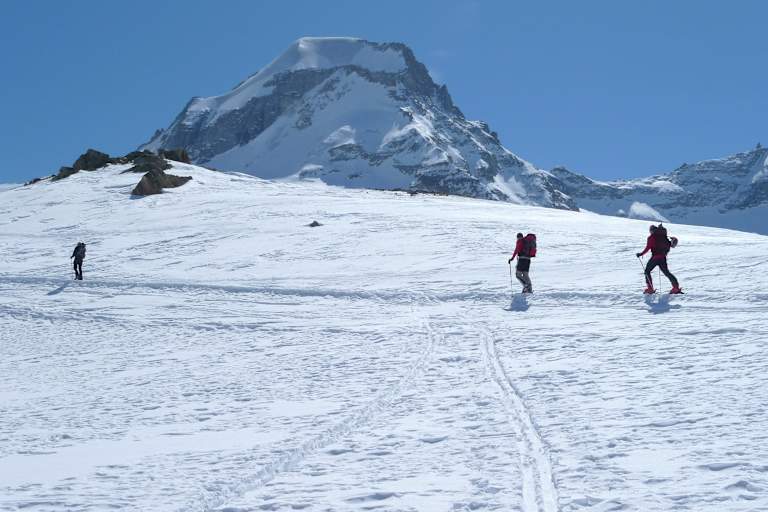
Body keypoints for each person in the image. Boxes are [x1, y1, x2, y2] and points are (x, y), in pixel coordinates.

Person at [636, 224, 682, 294]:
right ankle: (676, 288)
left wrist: (641, 254)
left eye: (650, 230)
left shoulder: (651, 237)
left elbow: (648, 248)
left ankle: (650, 289)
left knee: (647, 271)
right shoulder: (663, 237)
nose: (650, 232)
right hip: (663, 258)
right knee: (667, 273)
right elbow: (670, 245)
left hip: (655, 258)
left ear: (652, 230)